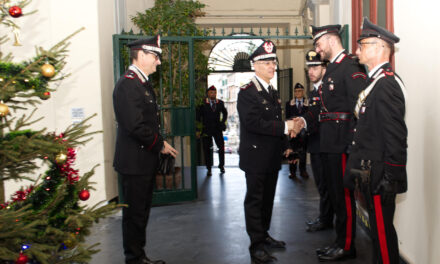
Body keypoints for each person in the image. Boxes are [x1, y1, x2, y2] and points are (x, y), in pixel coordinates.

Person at [296, 24, 367, 261]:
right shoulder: (334, 69)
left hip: (343, 143)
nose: (317, 49)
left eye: (318, 43)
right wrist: (301, 122)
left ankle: (347, 246)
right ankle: (339, 241)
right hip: (328, 142)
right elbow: (322, 110)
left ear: (329, 39)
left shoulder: (350, 65)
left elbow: (362, 108)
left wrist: (355, 143)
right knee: (336, 197)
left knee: (344, 197)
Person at [345, 17, 407, 264]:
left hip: (381, 174)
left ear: (380, 48)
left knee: (382, 234)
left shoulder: (386, 85)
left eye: (363, 45)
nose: (358, 50)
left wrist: (391, 176)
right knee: (377, 234)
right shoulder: (375, 82)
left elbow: (395, 135)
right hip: (371, 172)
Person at [113, 35, 178, 264]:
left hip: (142, 160)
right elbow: (134, 125)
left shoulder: (139, 83)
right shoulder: (128, 84)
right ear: (141, 55)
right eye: (156, 57)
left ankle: (139, 256)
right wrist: (158, 144)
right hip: (134, 162)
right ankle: (134, 258)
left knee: (141, 213)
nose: (158, 62)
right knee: (135, 215)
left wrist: (160, 142)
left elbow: (146, 123)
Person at [237, 40, 298, 264]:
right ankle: (256, 246)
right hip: (255, 157)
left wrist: (286, 146)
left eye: (273, 61)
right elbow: (253, 123)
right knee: (254, 201)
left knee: (268, 199)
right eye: (266, 62)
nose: (272, 66)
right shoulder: (247, 93)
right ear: (255, 65)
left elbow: (274, 121)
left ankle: (264, 234)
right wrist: (285, 127)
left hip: (271, 156)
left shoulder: (271, 91)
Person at [303, 50, 334, 232]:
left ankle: (326, 220)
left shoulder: (328, 90)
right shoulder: (314, 90)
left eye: (315, 67)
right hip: (315, 144)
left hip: (326, 145)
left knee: (327, 185)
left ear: (325, 68)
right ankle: (325, 217)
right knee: (321, 185)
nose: (311, 71)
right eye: (309, 68)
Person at [196, 85, 228, 176]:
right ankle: (209, 168)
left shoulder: (220, 103)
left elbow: (225, 113)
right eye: (211, 92)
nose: (213, 94)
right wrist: (198, 129)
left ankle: (221, 166)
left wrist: (223, 122)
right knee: (206, 149)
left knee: (221, 148)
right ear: (207, 93)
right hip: (206, 130)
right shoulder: (202, 103)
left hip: (217, 129)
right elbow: (198, 117)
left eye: (214, 92)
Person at [285, 82, 309, 180]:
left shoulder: (308, 103)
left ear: (303, 92)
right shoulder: (289, 104)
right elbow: (287, 117)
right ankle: (292, 172)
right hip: (293, 131)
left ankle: (303, 171)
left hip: (304, 131)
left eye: (300, 91)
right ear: (294, 93)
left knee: (303, 151)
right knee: (292, 151)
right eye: (296, 91)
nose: (298, 93)